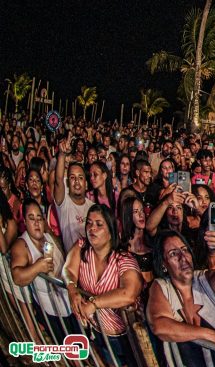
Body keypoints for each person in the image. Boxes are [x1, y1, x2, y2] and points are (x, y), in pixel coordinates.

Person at [147, 229, 215, 367]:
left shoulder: (206, 279)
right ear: (163, 264)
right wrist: (207, 334)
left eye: (185, 250)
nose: (183, 257)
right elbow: (160, 326)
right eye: (173, 254)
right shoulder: (162, 286)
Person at [63, 204, 143, 367]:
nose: (92, 228)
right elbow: (68, 269)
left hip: (123, 337)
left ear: (110, 230)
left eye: (99, 224)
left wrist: (94, 304)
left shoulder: (123, 259)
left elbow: (129, 293)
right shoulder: (82, 247)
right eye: (89, 223)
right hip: (96, 331)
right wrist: (72, 288)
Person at [10, 199, 76, 342]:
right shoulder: (21, 245)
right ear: (25, 221)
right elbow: (17, 276)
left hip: (69, 301)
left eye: (39, 218)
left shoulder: (49, 236)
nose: (36, 222)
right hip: (52, 311)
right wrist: (37, 267)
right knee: (70, 350)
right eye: (31, 218)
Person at [53, 134, 95, 252]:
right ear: (67, 183)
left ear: (86, 184)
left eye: (80, 178)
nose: (77, 181)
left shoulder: (92, 207)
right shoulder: (64, 204)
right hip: (72, 266)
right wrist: (62, 154)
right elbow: (58, 181)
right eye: (72, 178)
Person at [119, 195, 154, 284]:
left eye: (142, 210)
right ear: (128, 216)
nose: (141, 214)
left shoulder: (152, 240)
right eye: (135, 211)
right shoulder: (121, 246)